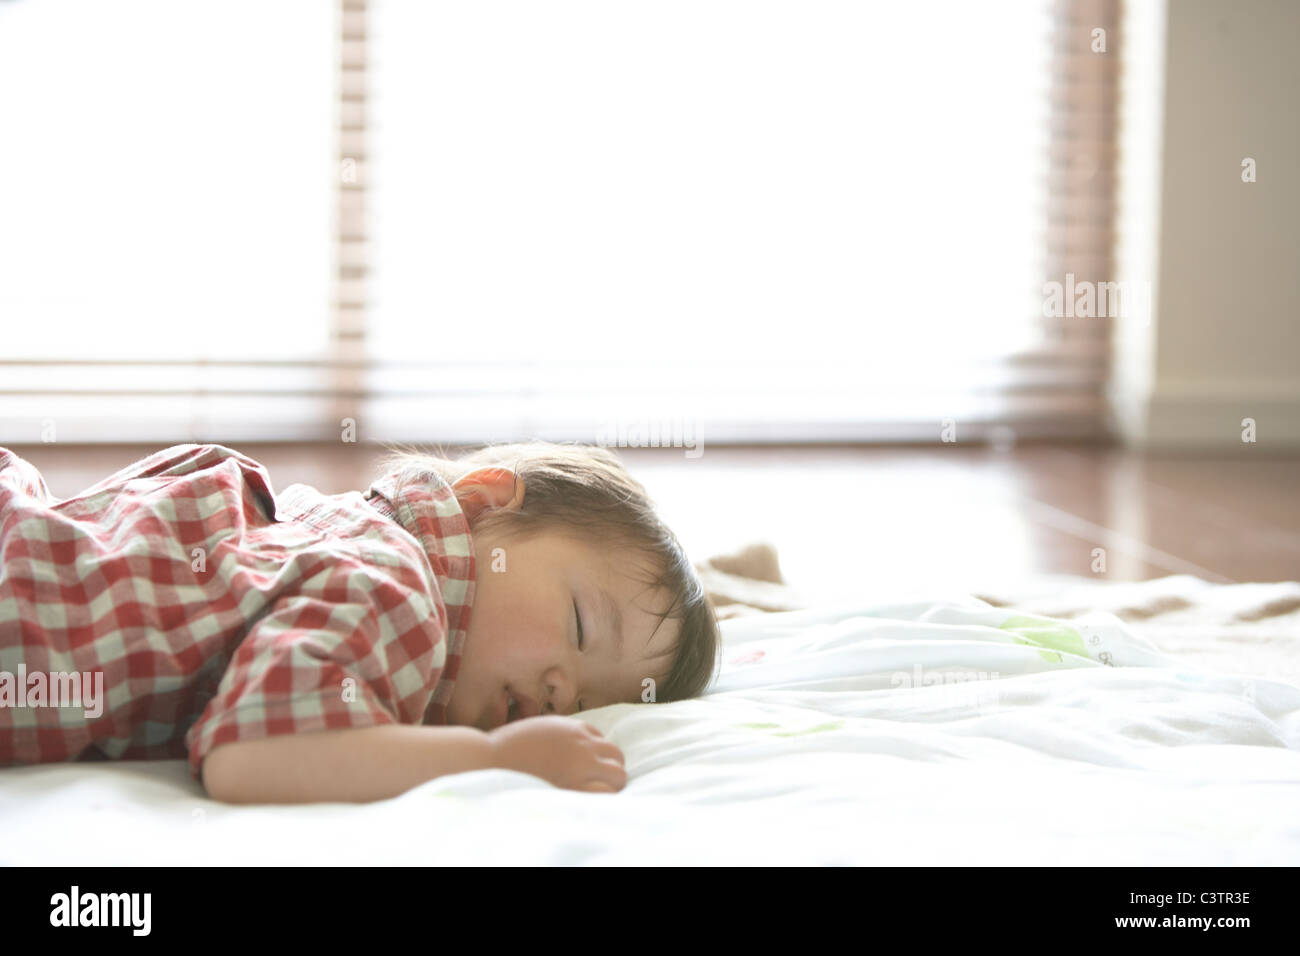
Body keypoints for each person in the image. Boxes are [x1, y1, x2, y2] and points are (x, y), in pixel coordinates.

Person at [0, 441, 719, 803]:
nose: (564, 694)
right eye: (580, 627)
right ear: (479, 505)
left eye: (595, 704)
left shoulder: (341, 525)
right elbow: (253, 755)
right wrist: (501, 760)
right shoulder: (401, 592)